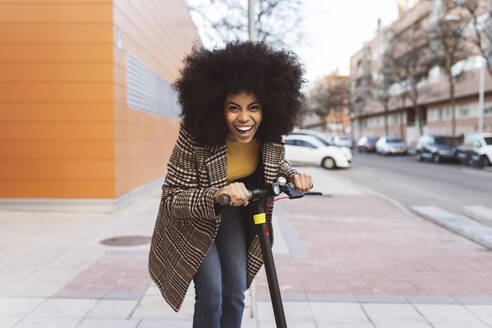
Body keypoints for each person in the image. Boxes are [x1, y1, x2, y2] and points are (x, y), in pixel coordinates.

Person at [148, 41, 312, 328]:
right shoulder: (195, 136)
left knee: (235, 292)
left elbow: (274, 163)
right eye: (233, 108)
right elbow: (172, 198)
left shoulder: (269, 135)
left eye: (254, 108)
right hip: (193, 220)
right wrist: (215, 194)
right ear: (217, 108)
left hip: (233, 213)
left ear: (267, 109)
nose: (244, 118)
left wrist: (292, 175)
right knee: (212, 294)